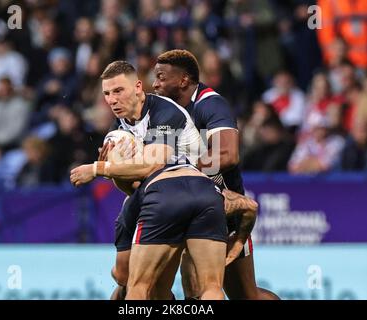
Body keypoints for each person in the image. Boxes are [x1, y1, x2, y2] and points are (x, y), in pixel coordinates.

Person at [70, 61, 227, 299]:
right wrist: (115, 169)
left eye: (118, 91)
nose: (112, 100)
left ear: (138, 87)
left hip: (200, 190)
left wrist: (99, 168)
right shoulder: (119, 128)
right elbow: (132, 186)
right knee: (132, 281)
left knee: (148, 287)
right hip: (176, 195)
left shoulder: (164, 111)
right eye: (107, 94)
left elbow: (154, 165)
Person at [152, 49, 279, 300]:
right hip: (181, 210)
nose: (154, 84)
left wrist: (183, 170)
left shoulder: (210, 104)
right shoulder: (162, 114)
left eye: (161, 77)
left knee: (245, 297)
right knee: (184, 293)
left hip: (223, 213)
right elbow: (155, 165)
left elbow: (228, 155)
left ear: (183, 80)